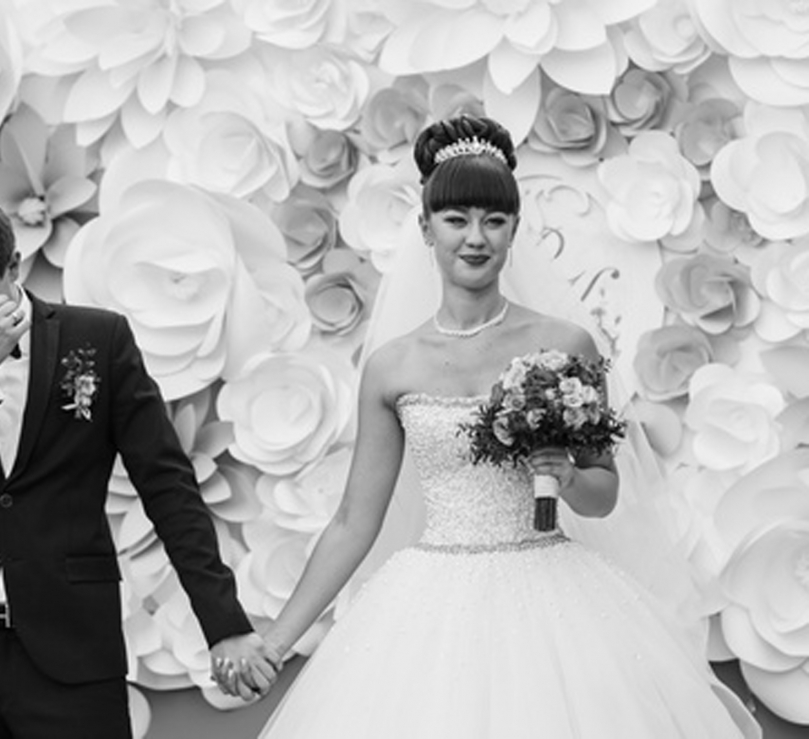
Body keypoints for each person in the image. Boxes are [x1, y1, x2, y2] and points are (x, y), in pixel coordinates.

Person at [250, 116, 761, 738]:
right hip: (430, 604)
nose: (475, 237)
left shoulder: (564, 344)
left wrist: (567, 476)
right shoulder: (392, 366)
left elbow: (603, 495)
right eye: (456, 219)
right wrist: (275, 642)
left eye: (494, 220)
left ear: (514, 230)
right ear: (425, 228)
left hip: (553, 596)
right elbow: (354, 521)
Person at [0, 192, 276, 739]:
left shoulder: (99, 341)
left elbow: (168, 487)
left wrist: (223, 624)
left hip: (74, 653)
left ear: (13, 266)